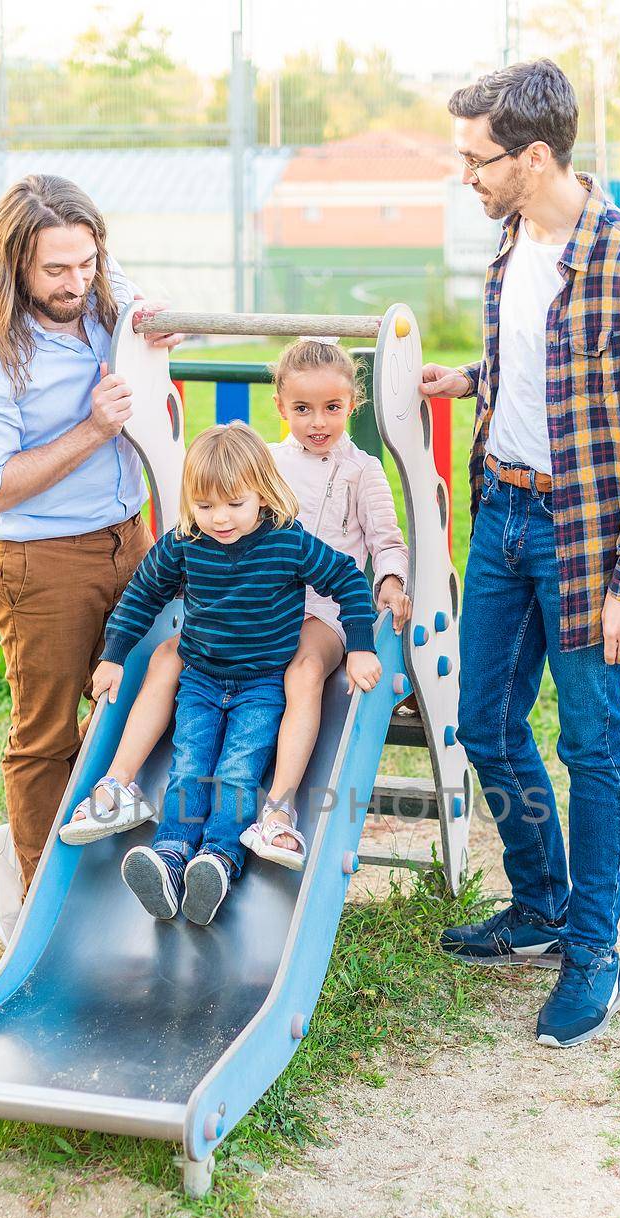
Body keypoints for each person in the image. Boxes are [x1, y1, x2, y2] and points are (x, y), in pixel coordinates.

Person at [422, 60, 620, 1047]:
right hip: (505, 516)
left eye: (476, 158)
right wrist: (470, 381)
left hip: (588, 539)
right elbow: (530, 362)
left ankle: (594, 949)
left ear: (535, 157)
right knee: (486, 723)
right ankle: (540, 907)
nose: (466, 175)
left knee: (593, 743)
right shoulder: (512, 240)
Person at [0, 173, 183, 941]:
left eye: (88, 263)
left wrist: (163, 333)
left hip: (129, 539)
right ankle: (41, 911)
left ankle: (141, 866)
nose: (78, 283)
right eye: (57, 271)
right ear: (14, 265)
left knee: (158, 697)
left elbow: (152, 319)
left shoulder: (101, 291)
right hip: (39, 559)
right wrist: (93, 430)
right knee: (48, 734)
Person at [61, 337, 412, 869]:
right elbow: (176, 562)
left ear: (351, 405)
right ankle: (119, 783)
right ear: (280, 407)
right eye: (302, 408)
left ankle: (279, 809)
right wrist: (115, 652)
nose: (317, 421)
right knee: (165, 658)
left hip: (321, 609)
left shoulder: (362, 471)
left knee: (302, 670)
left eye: (332, 408)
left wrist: (389, 580)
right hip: (248, 609)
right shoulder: (256, 462)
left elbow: (384, 541)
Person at [88, 422, 380, 927]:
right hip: (200, 679)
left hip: (262, 684)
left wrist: (359, 646)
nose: (219, 519)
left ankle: (219, 860)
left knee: (238, 772)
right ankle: (171, 854)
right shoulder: (185, 543)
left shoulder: (288, 543)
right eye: (205, 506)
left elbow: (350, 581)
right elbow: (142, 594)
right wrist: (114, 655)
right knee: (188, 765)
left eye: (233, 504)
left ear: (262, 494)